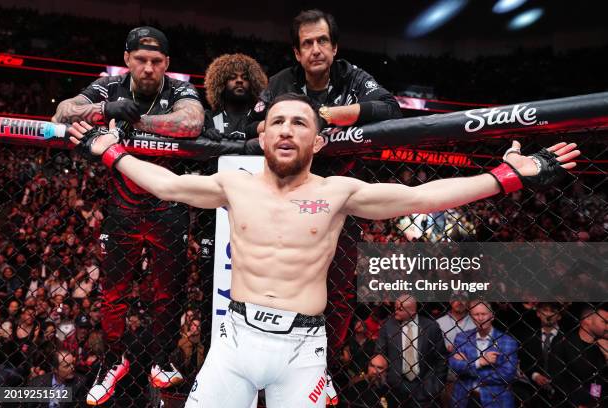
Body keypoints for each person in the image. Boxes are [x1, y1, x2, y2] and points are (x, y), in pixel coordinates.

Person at [67, 92, 579, 407]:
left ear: (317, 142)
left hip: (302, 351)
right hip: (234, 342)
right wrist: (108, 151)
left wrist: (507, 176)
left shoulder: (338, 192)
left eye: (301, 123)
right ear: (263, 135)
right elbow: (165, 184)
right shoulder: (235, 186)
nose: (288, 129)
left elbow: (424, 195)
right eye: (279, 122)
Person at [51, 26, 204, 405]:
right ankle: (111, 361)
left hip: (167, 205)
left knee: (168, 294)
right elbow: (62, 111)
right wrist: (105, 110)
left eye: (156, 61)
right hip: (122, 208)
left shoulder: (179, 90)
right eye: (141, 60)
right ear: (127, 60)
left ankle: (162, 357)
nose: (148, 68)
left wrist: (134, 121)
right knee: (113, 295)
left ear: (167, 64)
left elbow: (192, 122)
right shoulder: (109, 86)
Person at [246, 9, 402, 138]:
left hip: (342, 171)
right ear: (297, 54)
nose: (316, 50)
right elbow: (249, 127)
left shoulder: (352, 77)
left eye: (322, 41)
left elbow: (391, 108)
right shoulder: (279, 82)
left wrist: (327, 115)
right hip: (291, 170)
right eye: (307, 43)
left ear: (334, 48)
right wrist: (289, 123)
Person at [376, 294, 447, 407]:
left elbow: (441, 359)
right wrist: (386, 382)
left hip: (424, 384)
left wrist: (434, 387)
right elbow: (379, 353)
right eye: (395, 308)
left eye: (400, 309)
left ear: (412, 312)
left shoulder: (431, 326)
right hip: (395, 387)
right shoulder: (388, 326)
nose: (396, 312)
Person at [449, 300, 519, 408]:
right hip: (464, 399)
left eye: (484, 314)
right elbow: (454, 365)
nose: (480, 318)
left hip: (496, 400)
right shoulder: (461, 337)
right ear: (471, 317)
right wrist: (480, 362)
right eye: (476, 314)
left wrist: (467, 367)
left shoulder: (508, 341)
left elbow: (507, 375)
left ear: (492, 316)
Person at [202, 53, 268, 142]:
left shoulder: (262, 119)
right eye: (232, 77)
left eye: (245, 78)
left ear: (253, 85)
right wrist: (204, 134)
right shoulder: (208, 118)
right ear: (221, 84)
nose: (239, 80)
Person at [550, 306, 607, 408]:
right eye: (605, 322)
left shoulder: (604, 346)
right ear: (587, 320)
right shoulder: (564, 343)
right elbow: (557, 378)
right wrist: (576, 404)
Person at [519, 302, 564, 407]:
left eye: (553, 311)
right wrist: (535, 375)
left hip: (562, 391)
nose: (548, 314)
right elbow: (524, 361)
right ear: (538, 313)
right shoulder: (528, 336)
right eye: (545, 310)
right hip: (534, 392)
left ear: (559, 316)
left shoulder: (567, 337)